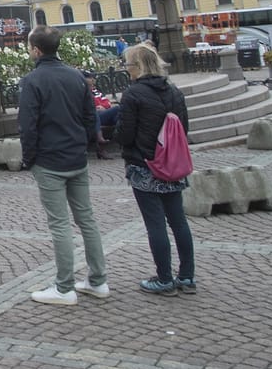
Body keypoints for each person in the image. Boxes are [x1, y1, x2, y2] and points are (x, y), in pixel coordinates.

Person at [19, 25, 109, 305]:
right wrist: (82, 144)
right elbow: (89, 116)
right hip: (75, 156)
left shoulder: (32, 81)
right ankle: (98, 280)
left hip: (49, 159)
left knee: (59, 225)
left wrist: (29, 158)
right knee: (87, 219)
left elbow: (28, 125)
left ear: (36, 50)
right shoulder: (77, 77)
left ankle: (64, 286)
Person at [117, 44, 196, 296]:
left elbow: (125, 135)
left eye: (128, 64)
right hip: (172, 165)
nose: (126, 69)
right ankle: (186, 276)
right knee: (178, 221)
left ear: (138, 66)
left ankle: (164, 278)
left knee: (155, 225)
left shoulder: (133, 94)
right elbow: (183, 128)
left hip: (145, 166)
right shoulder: (174, 92)